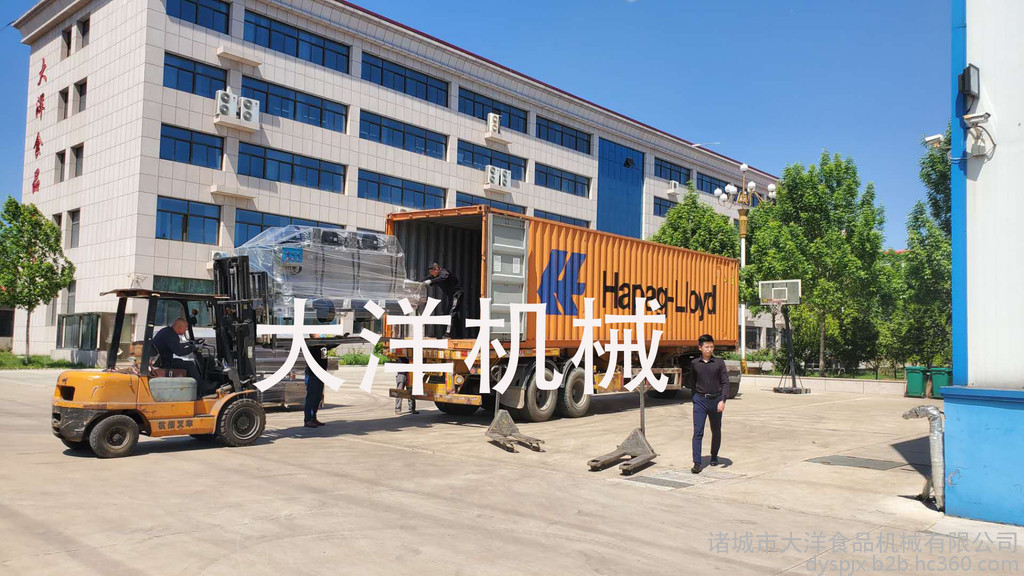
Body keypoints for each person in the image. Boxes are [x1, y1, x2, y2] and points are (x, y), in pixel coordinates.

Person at [690, 334, 730, 474]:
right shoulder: (695, 363)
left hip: (716, 401)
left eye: (711, 347)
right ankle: (697, 462)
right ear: (700, 348)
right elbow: (693, 382)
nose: (709, 349)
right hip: (700, 401)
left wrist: (722, 400)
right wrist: (695, 398)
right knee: (698, 431)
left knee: (716, 430)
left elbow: (725, 382)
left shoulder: (719, 363)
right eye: (706, 347)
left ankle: (714, 455)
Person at [152, 318, 202, 382]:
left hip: (162, 360)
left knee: (180, 361)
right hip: (165, 363)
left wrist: (188, 344)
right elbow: (179, 352)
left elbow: (174, 346)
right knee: (190, 365)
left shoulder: (167, 332)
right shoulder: (171, 335)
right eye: (185, 329)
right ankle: (199, 385)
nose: (185, 331)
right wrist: (194, 347)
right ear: (180, 327)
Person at [422, 262, 464, 338]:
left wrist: (431, 281)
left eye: (432, 272)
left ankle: (448, 334)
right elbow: (426, 279)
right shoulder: (435, 275)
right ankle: (459, 335)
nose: (431, 274)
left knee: (452, 313)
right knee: (453, 314)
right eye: (430, 272)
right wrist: (418, 283)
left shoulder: (444, 272)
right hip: (451, 296)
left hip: (457, 294)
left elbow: (442, 278)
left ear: (437, 269)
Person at [304, 343, 330, 428]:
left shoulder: (323, 347)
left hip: (320, 375)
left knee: (317, 398)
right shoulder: (312, 347)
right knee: (311, 398)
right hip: (313, 376)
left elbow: (330, 346)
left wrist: (339, 339)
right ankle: (308, 420)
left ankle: (313, 418)